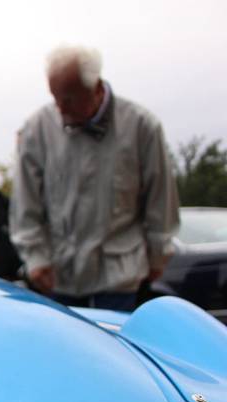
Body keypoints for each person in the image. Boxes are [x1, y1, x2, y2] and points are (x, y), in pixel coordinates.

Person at [10, 45, 180, 311]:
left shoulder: (142, 127)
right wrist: (35, 257)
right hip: (58, 278)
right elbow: (25, 201)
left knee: (109, 350)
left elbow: (161, 199)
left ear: (96, 88)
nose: (60, 108)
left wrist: (158, 255)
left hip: (119, 277)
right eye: (55, 98)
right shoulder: (37, 129)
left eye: (68, 98)